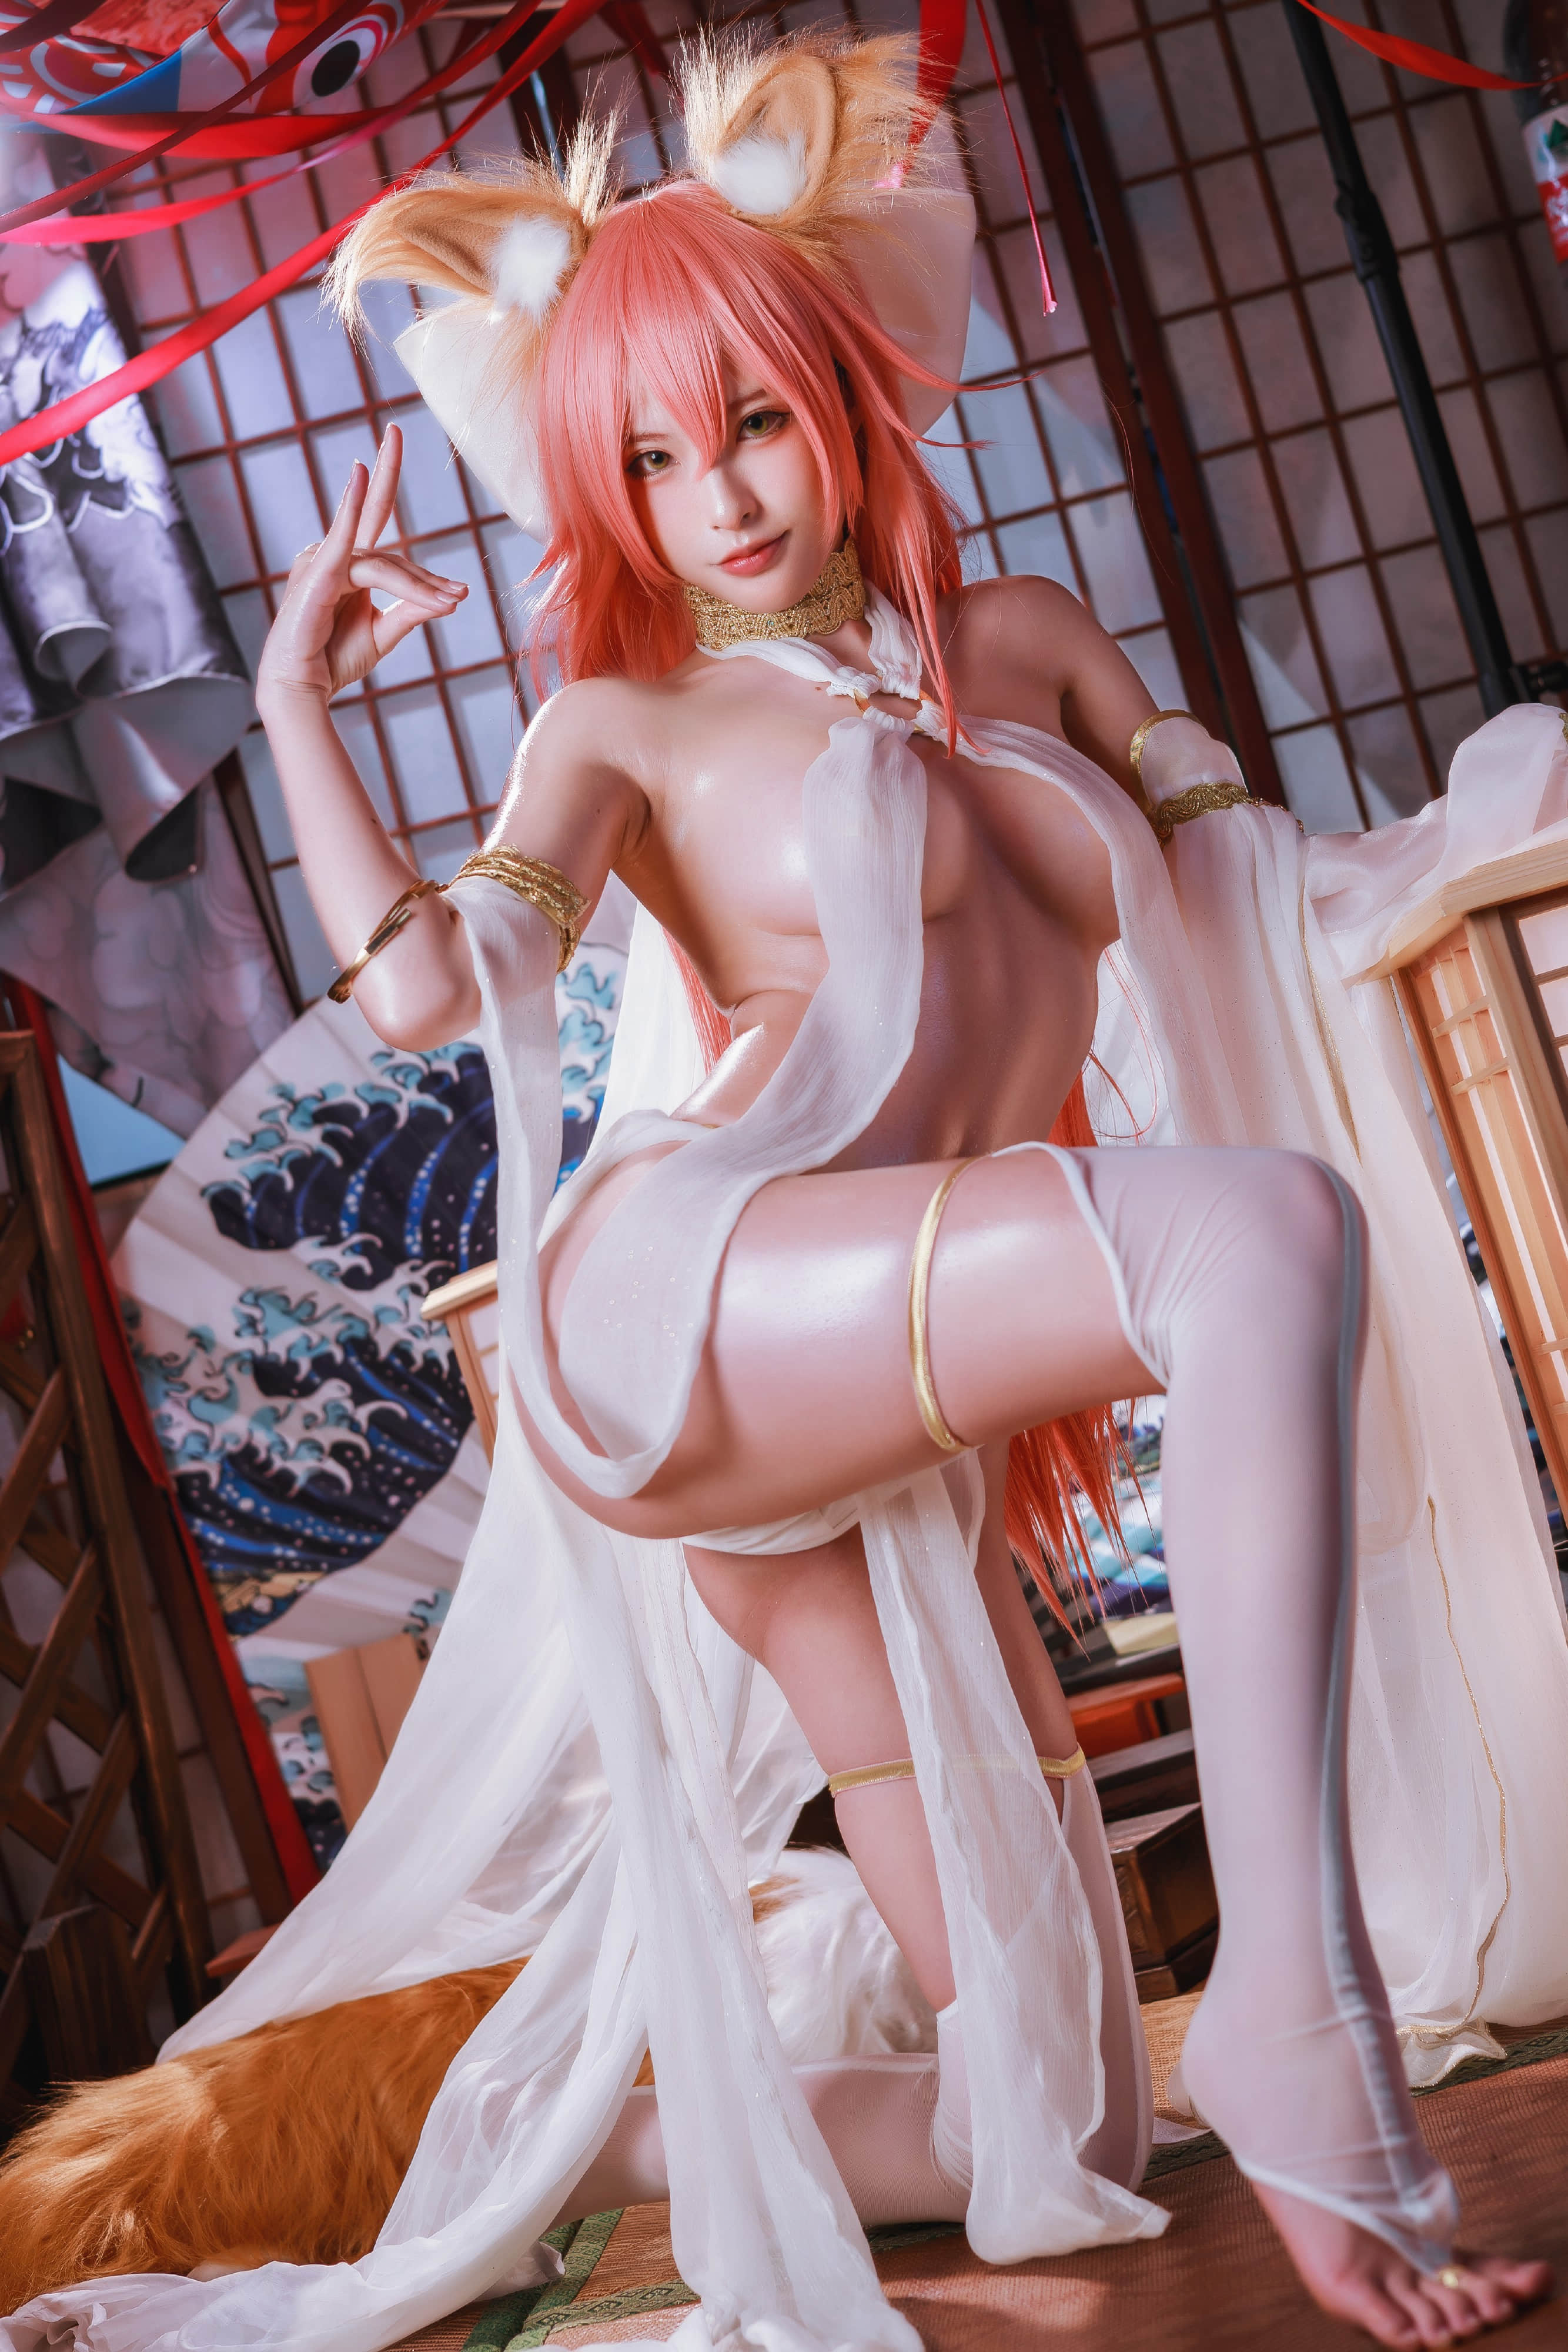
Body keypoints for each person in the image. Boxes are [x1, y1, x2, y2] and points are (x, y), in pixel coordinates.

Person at [9, 30, 1564, 2352]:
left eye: (749, 419)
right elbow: (434, 988)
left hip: (863, 1383)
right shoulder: (623, 727)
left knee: (1058, 2140)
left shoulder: (1022, 646)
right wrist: (307, 708)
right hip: (686, 1311)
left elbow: (1268, 884)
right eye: (648, 456)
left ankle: (570, 2136)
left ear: (843, 386)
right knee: (1253, 1232)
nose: (719, 496)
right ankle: (1292, 1993)